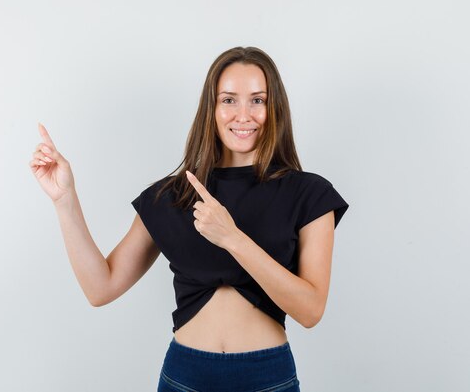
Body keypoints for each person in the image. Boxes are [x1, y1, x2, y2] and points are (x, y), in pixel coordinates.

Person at [29, 46, 349, 392]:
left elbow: (311, 310)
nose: (243, 114)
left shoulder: (309, 194)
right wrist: (65, 200)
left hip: (267, 377)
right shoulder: (173, 194)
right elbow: (100, 288)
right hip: (185, 377)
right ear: (211, 108)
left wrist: (232, 238)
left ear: (275, 109)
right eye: (229, 100)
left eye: (258, 100)